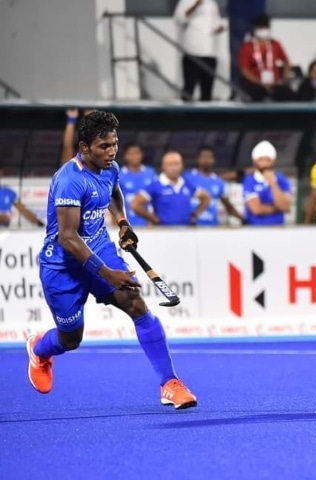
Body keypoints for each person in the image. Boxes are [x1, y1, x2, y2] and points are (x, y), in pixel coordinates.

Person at [25, 111, 197, 409]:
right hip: (63, 266)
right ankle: (39, 349)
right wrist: (106, 273)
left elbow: (113, 192)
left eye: (114, 144)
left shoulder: (110, 167)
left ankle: (170, 383)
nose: (112, 151)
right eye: (104, 146)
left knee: (136, 303)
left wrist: (122, 222)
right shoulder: (69, 181)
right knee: (70, 339)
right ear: (84, 148)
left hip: (99, 248)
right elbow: (67, 237)